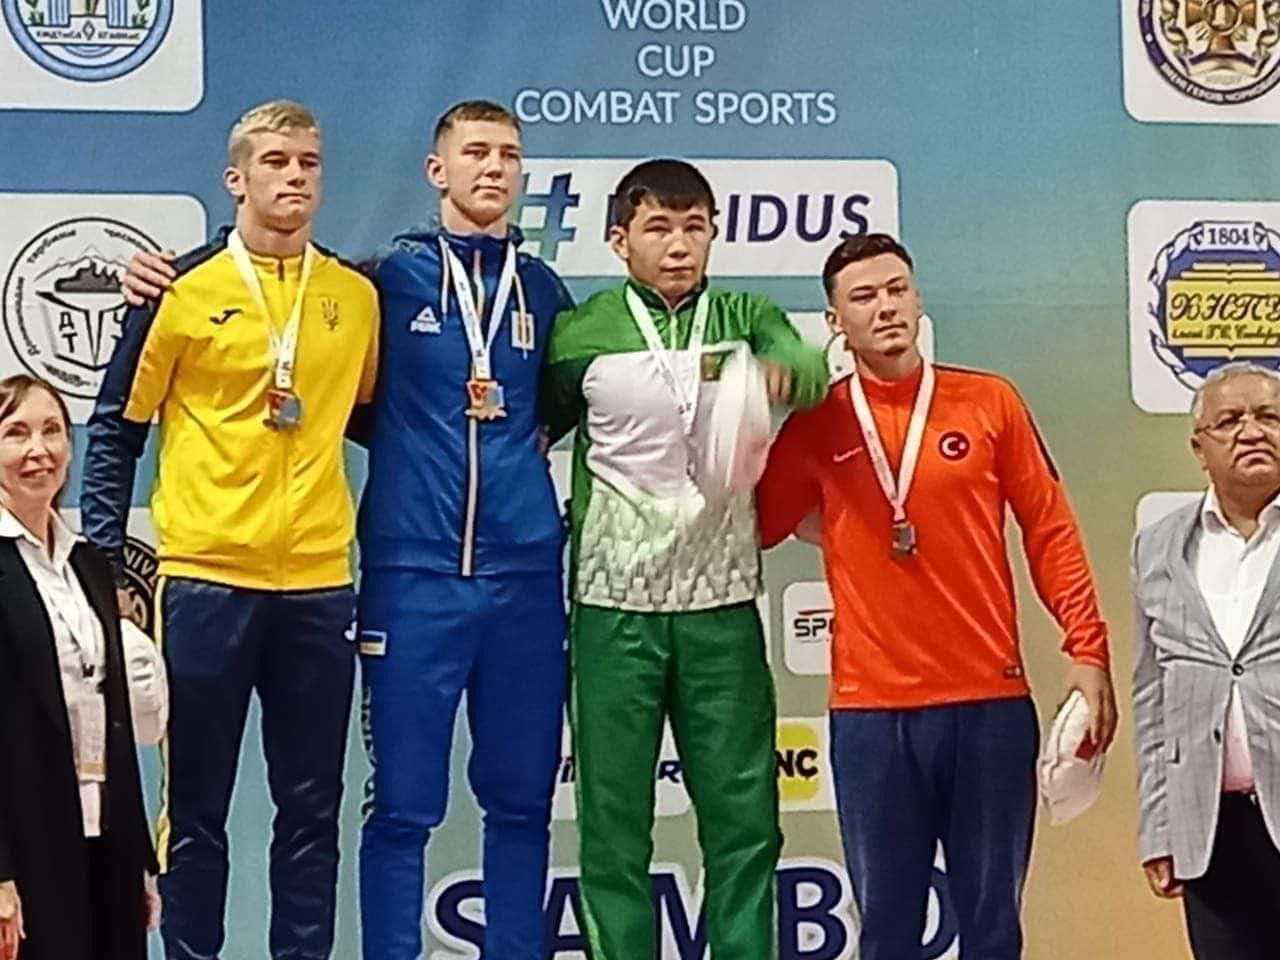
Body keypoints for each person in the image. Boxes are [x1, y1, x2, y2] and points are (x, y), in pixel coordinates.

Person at [119, 99, 570, 960]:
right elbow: (343, 397)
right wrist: (159, 274)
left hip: (516, 578)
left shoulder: (543, 292)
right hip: (402, 575)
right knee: (396, 806)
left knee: (518, 800)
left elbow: (560, 402)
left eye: (509, 155)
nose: (493, 168)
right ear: (436, 169)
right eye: (476, 152)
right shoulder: (380, 282)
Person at [756, 233, 1116, 960]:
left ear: (918, 299)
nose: (885, 307)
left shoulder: (989, 402)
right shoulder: (818, 424)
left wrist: (1088, 648)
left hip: (988, 703)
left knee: (992, 929)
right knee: (888, 932)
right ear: (834, 321)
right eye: (863, 297)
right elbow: (759, 524)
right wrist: (760, 421)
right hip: (872, 713)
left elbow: (1049, 528)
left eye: (897, 289)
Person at [82, 100, 379, 960]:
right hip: (205, 581)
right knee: (196, 810)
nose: (294, 177)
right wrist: (105, 567)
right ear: (235, 179)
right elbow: (116, 430)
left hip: (319, 584)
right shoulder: (178, 290)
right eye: (275, 162)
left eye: (308, 163)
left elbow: (371, 418)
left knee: (313, 809)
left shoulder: (354, 297)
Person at [541, 158, 829, 959]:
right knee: (612, 830)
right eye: (658, 228)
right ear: (619, 240)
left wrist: (778, 373)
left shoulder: (746, 315)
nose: (678, 246)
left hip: (720, 610)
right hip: (612, 612)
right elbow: (537, 425)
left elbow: (810, 370)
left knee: (745, 826)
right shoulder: (581, 331)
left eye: (694, 228)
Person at [0, 374, 160, 960]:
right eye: (16, 433)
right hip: (24, 845)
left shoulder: (89, 566)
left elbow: (114, 716)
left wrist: (139, 857)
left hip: (106, 839)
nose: (38, 449)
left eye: (52, 431)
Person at [1132, 361, 1280, 960]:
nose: (1252, 431)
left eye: (1268, 416)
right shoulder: (1158, 546)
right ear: (1200, 448)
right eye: (1230, 420)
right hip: (1210, 830)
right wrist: (1159, 829)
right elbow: (1151, 697)